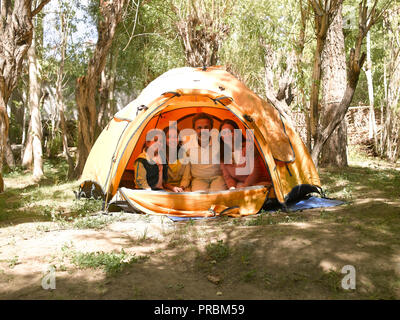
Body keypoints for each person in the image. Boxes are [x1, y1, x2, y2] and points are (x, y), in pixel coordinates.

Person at [219, 119, 270, 189]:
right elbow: (228, 177)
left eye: (230, 131)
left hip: (259, 182)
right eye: (224, 133)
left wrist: (245, 186)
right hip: (243, 185)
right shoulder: (223, 155)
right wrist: (232, 188)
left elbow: (255, 172)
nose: (227, 135)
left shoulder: (248, 147)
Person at [181, 112, 226, 192]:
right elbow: (187, 167)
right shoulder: (187, 143)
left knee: (217, 197)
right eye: (199, 128)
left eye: (206, 127)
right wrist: (183, 185)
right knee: (199, 199)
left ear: (211, 128)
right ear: (194, 129)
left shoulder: (220, 141)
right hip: (199, 179)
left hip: (217, 177)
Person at [162, 125, 190, 192]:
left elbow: (186, 177)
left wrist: (181, 187)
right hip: (164, 187)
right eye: (169, 137)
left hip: (182, 187)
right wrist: (172, 188)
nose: (173, 140)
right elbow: (160, 179)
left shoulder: (185, 155)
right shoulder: (160, 155)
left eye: (175, 137)